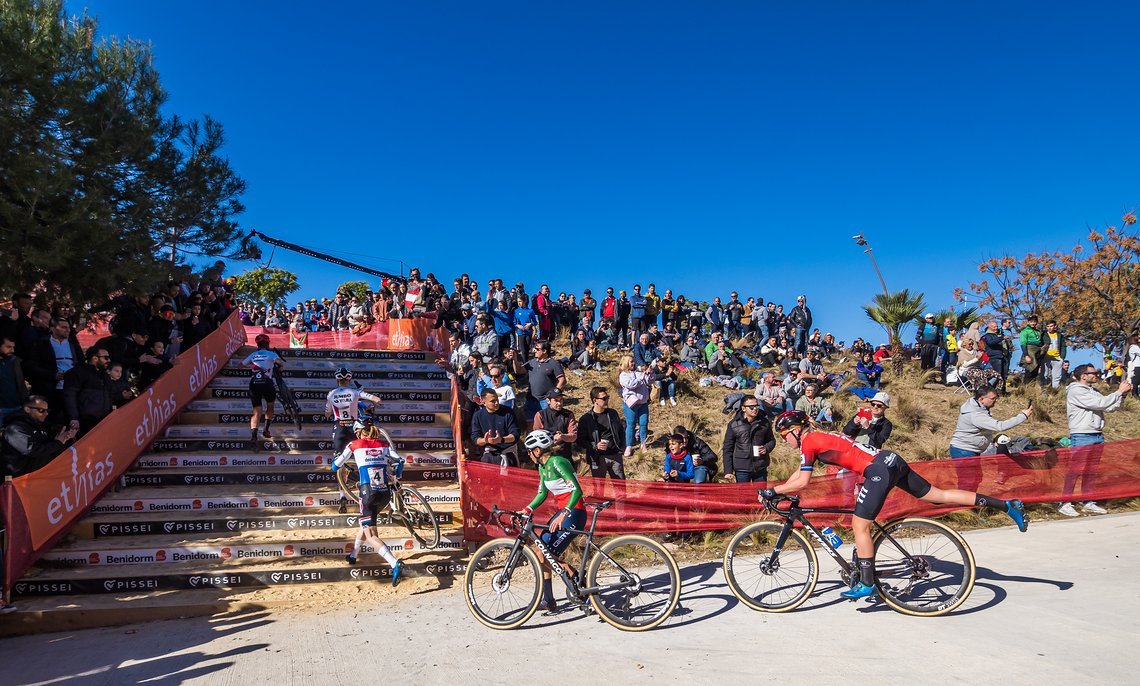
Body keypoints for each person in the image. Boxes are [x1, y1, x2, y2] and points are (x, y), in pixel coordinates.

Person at [763, 410, 1027, 600]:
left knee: (859, 525)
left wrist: (773, 491)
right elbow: (801, 476)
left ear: (796, 430)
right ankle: (1005, 505)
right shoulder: (818, 436)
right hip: (890, 460)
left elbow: (803, 481)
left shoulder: (809, 442)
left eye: (784, 434)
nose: (784, 440)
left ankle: (867, 584)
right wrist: (778, 489)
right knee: (938, 495)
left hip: (878, 470)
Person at [519, 429, 585, 613]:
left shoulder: (558, 462)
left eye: (529, 450)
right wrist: (527, 509)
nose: (529, 455)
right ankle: (549, 600)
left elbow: (577, 491)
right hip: (562, 513)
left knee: (548, 553)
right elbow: (542, 493)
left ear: (537, 450)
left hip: (574, 513)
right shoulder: (542, 467)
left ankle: (580, 581)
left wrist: (565, 512)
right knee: (542, 553)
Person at [332, 424, 403, 586]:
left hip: (367, 494)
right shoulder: (384, 445)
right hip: (384, 494)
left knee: (371, 534)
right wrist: (397, 476)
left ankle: (394, 563)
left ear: (358, 433)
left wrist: (337, 459)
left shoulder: (354, 444)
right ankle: (353, 555)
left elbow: (335, 466)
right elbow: (400, 461)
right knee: (366, 525)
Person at [1059, 364, 1132, 516]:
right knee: (1075, 470)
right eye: (1092, 373)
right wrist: (1118, 392)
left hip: (1097, 434)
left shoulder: (1094, 391)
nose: (1096, 375)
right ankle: (1064, 502)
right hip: (1082, 435)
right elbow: (1100, 403)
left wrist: (1122, 395)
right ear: (1083, 376)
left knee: (1091, 471)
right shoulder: (1075, 391)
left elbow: (1110, 407)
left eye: (1097, 373)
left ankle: (1088, 501)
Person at [2, 395, 76, 477]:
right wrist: (58, 443)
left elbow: (46, 445)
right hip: (21, 479)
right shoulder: (15, 428)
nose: (46, 413)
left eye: (47, 410)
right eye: (41, 410)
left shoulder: (39, 424)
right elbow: (33, 450)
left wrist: (64, 437)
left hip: (39, 475)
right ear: (27, 409)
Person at [949, 388, 1032, 458]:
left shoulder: (978, 409)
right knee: (969, 477)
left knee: (975, 477)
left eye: (996, 398)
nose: (995, 401)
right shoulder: (976, 415)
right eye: (993, 398)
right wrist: (1023, 416)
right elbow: (1000, 426)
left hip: (969, 450)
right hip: (964, 451)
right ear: (981, 399)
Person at [325, 367, 382, 458]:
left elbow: (327, 414)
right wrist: (376, 401)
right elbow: (377, 399)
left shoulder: (331, 394)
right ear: (349, 379)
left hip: (339, 427)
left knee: (338, 456)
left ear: (337, 380)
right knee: (360, 453)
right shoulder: (355, 392)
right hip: (354, 426)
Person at [242, 333, 286, 447]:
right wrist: (280, 368)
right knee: (270, 406)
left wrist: (254, 366)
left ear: (257, 344)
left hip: (254, 383)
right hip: (267, 382)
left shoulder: (253, 354)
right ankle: (266, 430)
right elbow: (281, 364)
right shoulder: (271, 353)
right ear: (267, 344)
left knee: (256, 411)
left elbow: (240, 365)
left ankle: (254, 436)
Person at [62, 346, 113, 438]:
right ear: (95, 358)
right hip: (85, 421)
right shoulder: (78, 372)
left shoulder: (105, 375)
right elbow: (69, 395)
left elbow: (109, 395)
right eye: (106, 358)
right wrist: (73, 418)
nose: (109, 360)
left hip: (103, 419)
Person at [721, 397, 775, 483]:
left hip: (760, 466)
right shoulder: (734, 424)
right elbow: (728, 448)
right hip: (741, 467)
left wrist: (766, 448)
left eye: (757, 406)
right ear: (743, 408)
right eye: (751, 407)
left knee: (760, 494)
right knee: (743, 495)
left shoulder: (764, 422)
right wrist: (728, 471)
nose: (755, 409)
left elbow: (771, 440)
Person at [576, 386, 626, 478]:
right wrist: (595, 445)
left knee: (621, 488)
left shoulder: (613, 413)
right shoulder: (586, 419)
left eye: (607, 397)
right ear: (595, 400)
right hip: (597, 458)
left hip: (615, 455)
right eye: (604, 398)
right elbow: (580, 441)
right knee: (599, 489)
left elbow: (621, 431)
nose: (606, 400)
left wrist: (622, 447)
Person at [469, 388, 520, 466]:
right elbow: (475, 438)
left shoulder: (508, 412)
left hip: (508, 454)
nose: (496, 403)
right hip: (489, 454)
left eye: (497, 400)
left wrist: (501, 440)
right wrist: (485, 440)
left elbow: (515, 435)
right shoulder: (478, 415)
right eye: (493, 401)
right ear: (484, 402)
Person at [532, 388, 578, 465]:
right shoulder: (540, 415)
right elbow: (536, 437)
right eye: (556, 400)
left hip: (564, 456)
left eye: (561, 400)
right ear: (548, 401)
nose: (559, 403)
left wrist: (563, 436)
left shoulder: (568, 414)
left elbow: (573, 436)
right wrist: (551, 439)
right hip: (546, 458)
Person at [618, 355, 651, 456]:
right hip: (631, 404)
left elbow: (649, 381)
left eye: (633, 361)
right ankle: (629, 445)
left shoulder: (639, 373)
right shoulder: (623, 375)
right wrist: (642, 377)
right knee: (631, 425)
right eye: (631, 362)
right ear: (626, 363)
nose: (633, 363)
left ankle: (643, 444)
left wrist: (650, 374)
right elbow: (631, 385)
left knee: (643, 423)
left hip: (643, 403)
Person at [0, 336, 28, 422]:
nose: (12, 350)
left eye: (13, 347)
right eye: (8, 347)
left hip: (17, 406)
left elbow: (21, 384)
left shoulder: (15, 361)